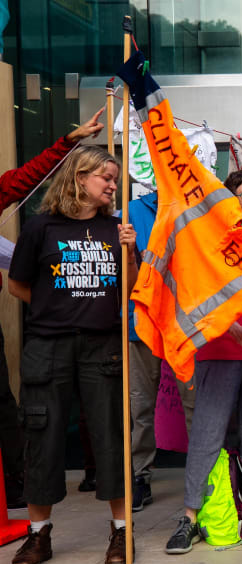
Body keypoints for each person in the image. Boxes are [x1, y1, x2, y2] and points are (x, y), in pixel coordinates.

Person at [7, 146, 138, 564]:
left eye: (114, 178)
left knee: (110, 437)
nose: (113, 185)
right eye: (107, 177)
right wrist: (55, 309)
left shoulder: (115, 228)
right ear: (80, 177)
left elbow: (129, 290)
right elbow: (18, 286)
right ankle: (38, 533)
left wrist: (129, 253)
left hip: (102, 346)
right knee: (41, 438)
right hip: (49, 346)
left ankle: (121, 530)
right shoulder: (40, 228)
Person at [164, 170, 242, 554]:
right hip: (218, 351)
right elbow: (192, 296)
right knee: (207, 434)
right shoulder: (208, 241)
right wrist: (231, 328)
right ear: (230, 200)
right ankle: (189, 517)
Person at [1, 107, 105, 510]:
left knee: (4, 403)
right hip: (50, 337)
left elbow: (26, 178)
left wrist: (69, 141)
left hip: (86, 335)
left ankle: (14, 484)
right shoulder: (40, 229)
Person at [126, 190, 196, 513]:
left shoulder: (196, 206)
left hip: (186, 325)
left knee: (196, 406)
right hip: (143, 323)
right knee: (140, 405)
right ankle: (139, 477)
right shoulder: (132, 210)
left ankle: (202, 478)